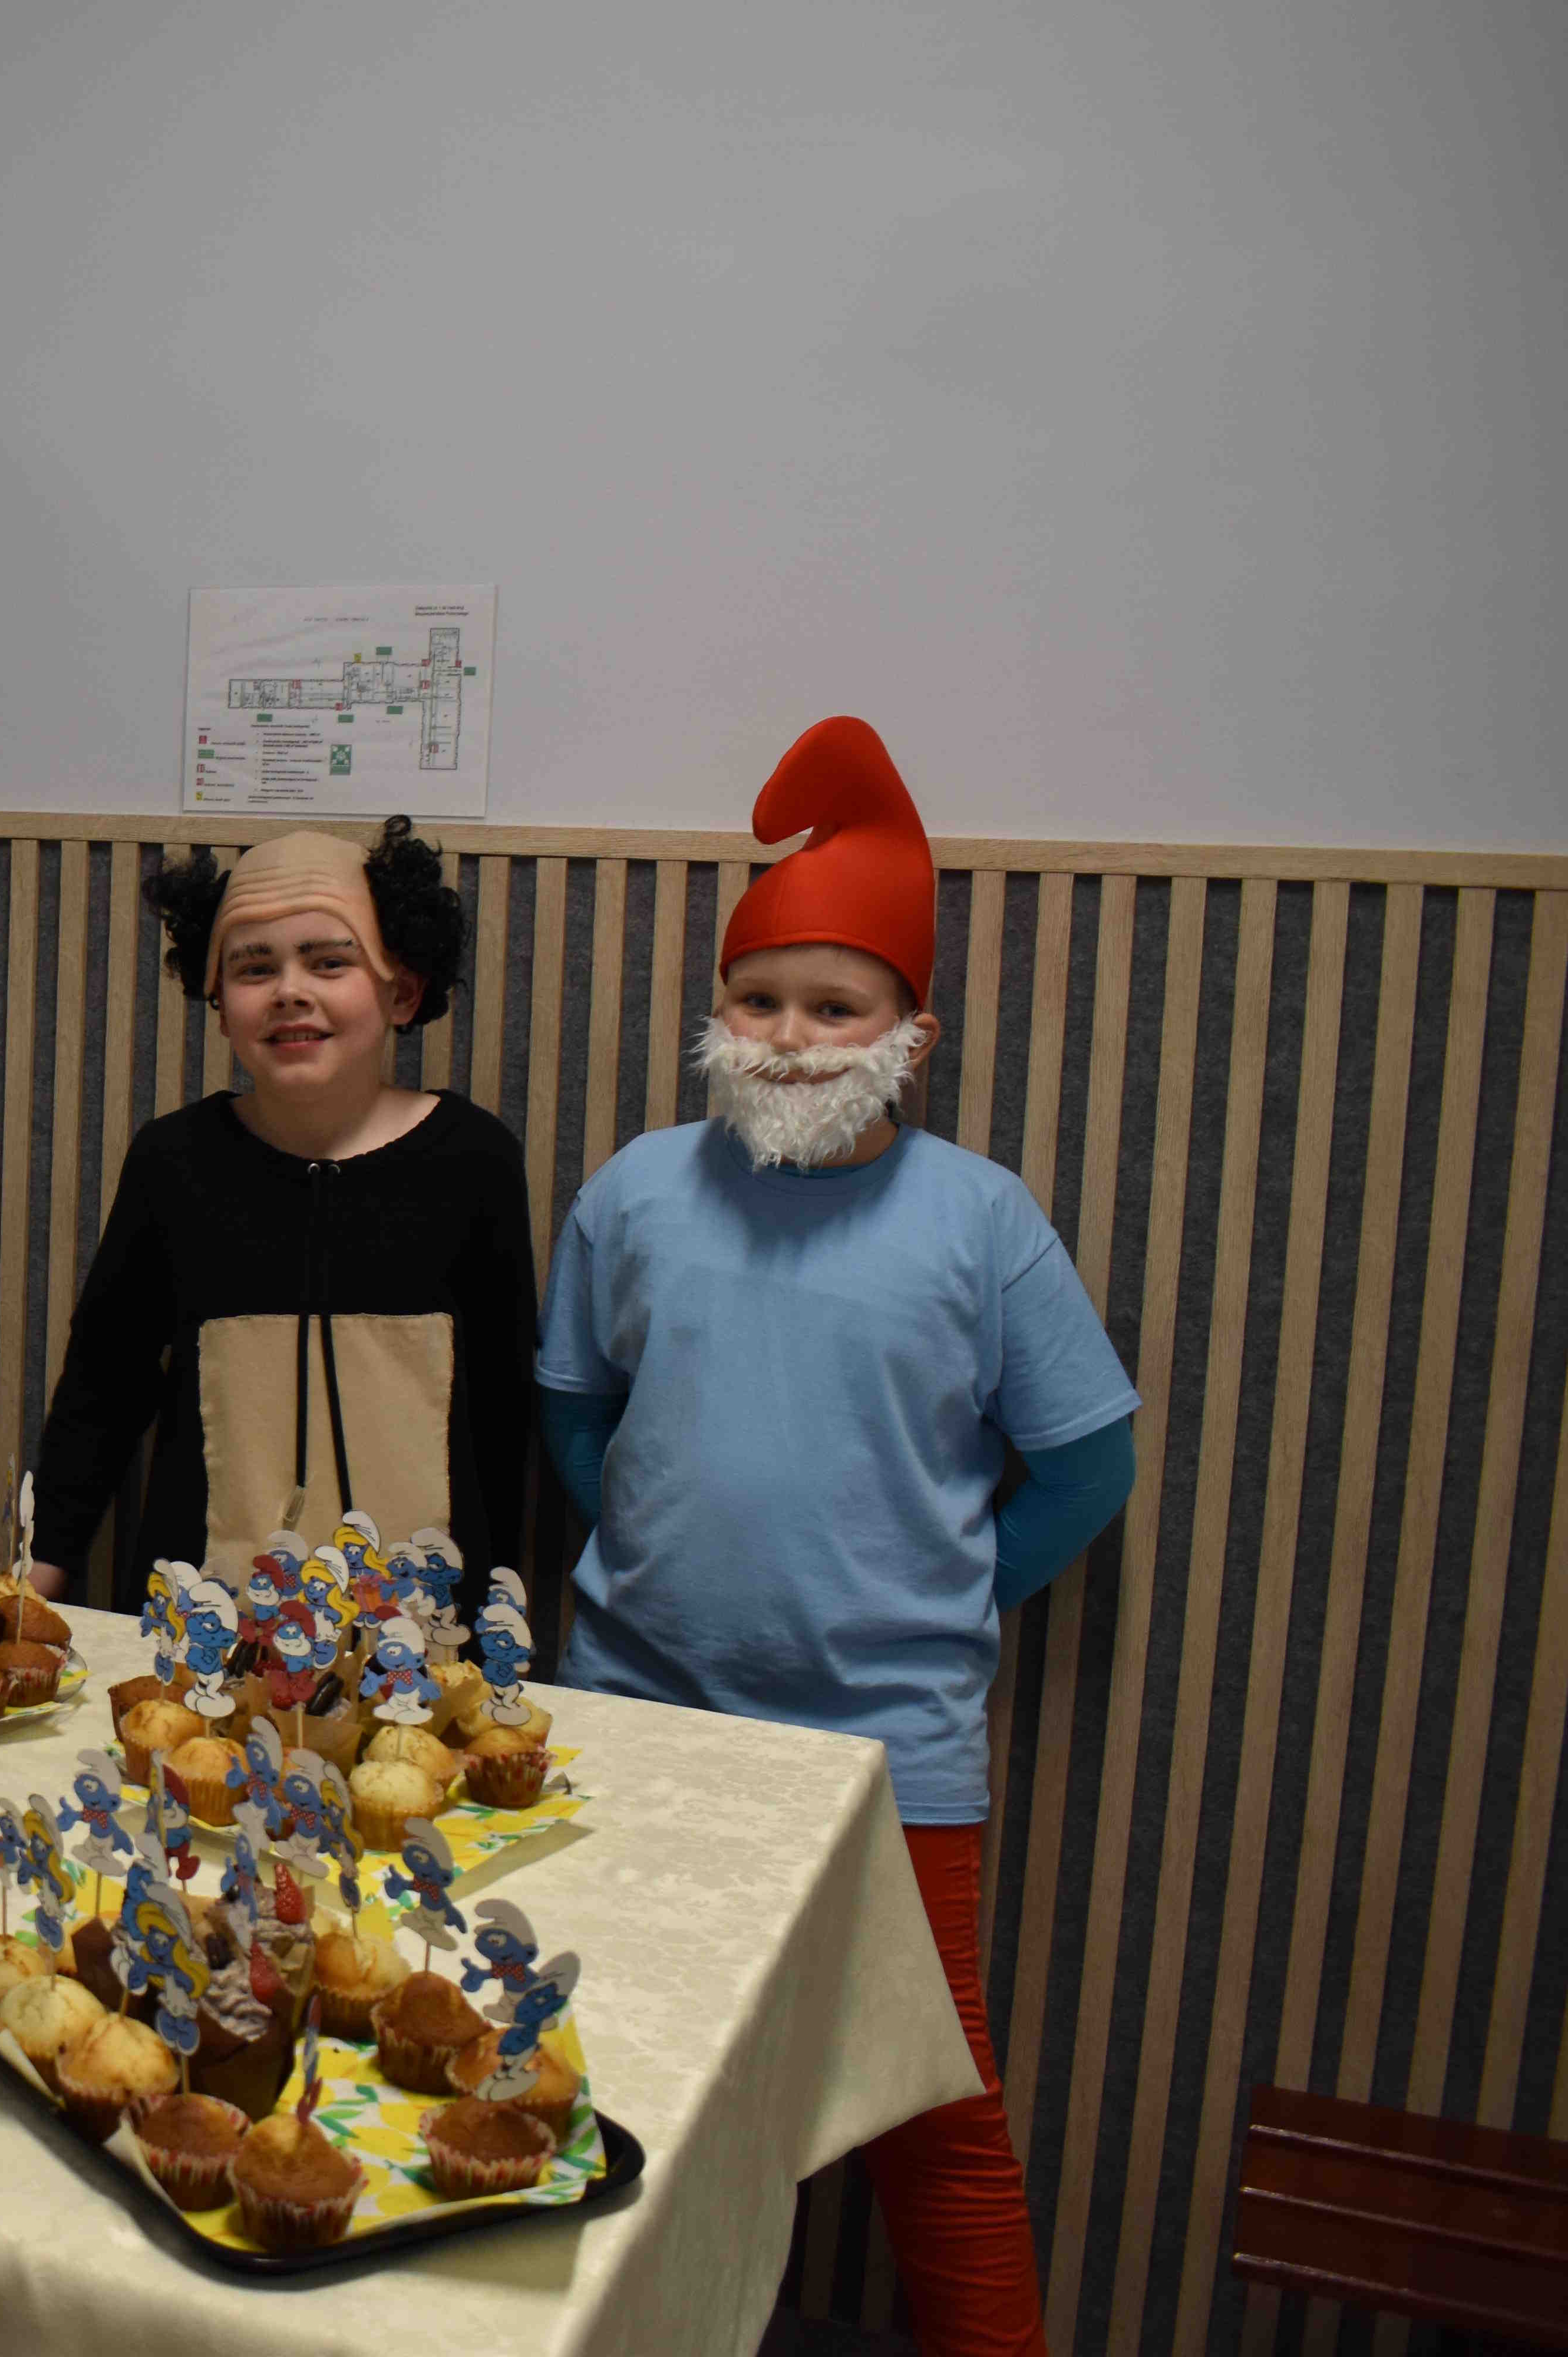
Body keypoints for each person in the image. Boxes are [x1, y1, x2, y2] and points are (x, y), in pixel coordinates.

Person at [533, 717, 1138, 2357]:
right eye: (760, 1001)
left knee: (934, 2119)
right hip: (637, 1719)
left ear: (910, 1034)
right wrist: (647, 1542)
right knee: (610, 2071)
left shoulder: (981, 1217)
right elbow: (576, 1406)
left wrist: (947, 1592)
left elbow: (1087, 1463)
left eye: (835, 1006)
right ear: (715, 1015)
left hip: (891, 1752)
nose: (792, 1039)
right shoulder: (635, 1192)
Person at [27, 817, 532, 1600]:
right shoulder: (173, 1162)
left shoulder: (475, 1158)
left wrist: (496, 1614)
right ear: (218, 1004)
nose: (291, 991)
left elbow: (503, 1408)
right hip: (204, 1621)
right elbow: (104, 1386)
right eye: (254, 968)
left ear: (402, 992)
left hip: (416, 1631)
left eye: (330, 962)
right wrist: (35, 1582)